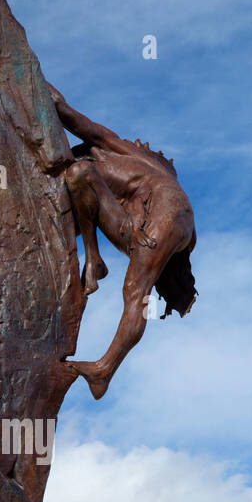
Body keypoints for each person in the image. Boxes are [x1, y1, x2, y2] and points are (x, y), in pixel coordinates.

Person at [49, 84, 197, 400]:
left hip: (165, 211)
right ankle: (94, 261)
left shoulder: (106, 154)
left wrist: (43, 90)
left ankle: (104, 369)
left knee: (135, 291)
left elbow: (71, 117)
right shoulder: (130, 161)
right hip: (171, 216)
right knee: (80, 176)